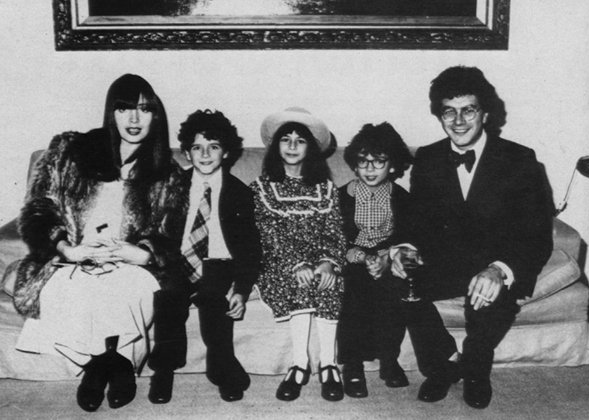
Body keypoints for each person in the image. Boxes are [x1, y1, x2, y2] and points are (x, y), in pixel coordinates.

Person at [12, 74, 187, 412]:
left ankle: (98, 368)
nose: (134, 119)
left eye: (144, 110)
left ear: (156, 117)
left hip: (129, 263)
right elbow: (39, 209)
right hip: (71, 258)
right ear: (111, 113)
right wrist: (67, 248)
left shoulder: (168, 174)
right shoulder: (71, 152)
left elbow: (172, 237)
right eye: (124, 109)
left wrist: (141, 253)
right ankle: (115, 364)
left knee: (128, 285)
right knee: (74, 289)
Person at [392, 66, 554, 409]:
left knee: (487, 294)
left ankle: (476, 370)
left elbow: (535, 233)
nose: (459, 120)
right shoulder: (429, 157)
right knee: (393, 281)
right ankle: (444, 365)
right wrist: (404, 250)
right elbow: (417, 220)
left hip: (495, 262)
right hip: (445, 260)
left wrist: (499, 269)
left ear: (485, 113)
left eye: (469, 109)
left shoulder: (520, 160)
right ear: (440, 115)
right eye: (449, 110)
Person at [147, 109, 261, 404]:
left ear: (226, 152)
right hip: (178, 261)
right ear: (186, 153)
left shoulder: (240, 193)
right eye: (197, 147)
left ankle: (221, 367)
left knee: (214, 303)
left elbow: (250, 247)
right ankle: (164, 371)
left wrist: (242, 288)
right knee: (168, 298)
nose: (206, 154)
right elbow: (156, 231)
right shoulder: (172, 186)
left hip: (219, 264)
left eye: (214, 147)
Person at [250, 107, 346, 402]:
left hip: (320, 260)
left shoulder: (325, 189)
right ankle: (299, 364)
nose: (292, 146)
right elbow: (268, 234)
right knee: (301, 282)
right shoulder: (262, 188)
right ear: (275, 146)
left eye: (300, 141)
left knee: (328, 282)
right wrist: (296, 263)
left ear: (311, 148)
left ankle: (328, 364)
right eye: (286, 139)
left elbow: (334, 230)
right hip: (280, 262)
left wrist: (329, 262)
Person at [336, 122, 414, 398]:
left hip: (387, 260)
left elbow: (407, 234)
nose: (370, 169)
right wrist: (358, 256)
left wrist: (383, 256)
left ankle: (389, 360)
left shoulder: (400, 197)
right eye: (363, 162)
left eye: (378, 162)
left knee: (395, 291)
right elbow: (335, 236)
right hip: (351, 259)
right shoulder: (342, 196)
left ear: (392, 165)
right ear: (354, 165)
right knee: (354, 292)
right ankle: (352, 364)